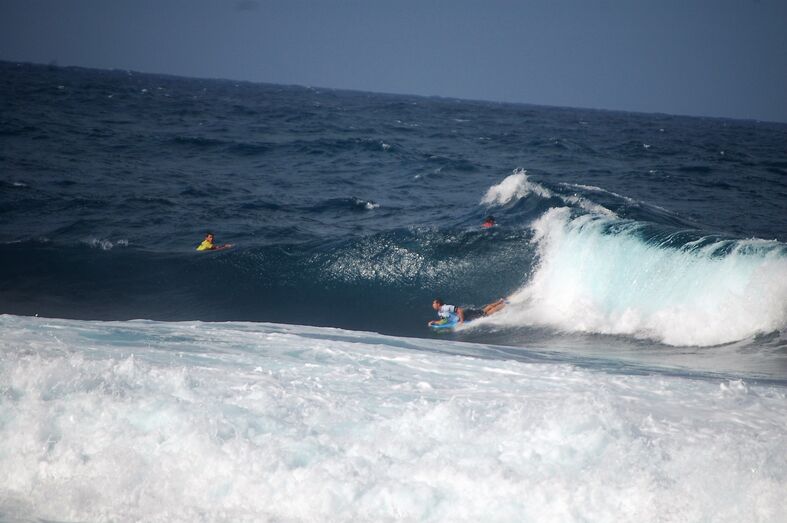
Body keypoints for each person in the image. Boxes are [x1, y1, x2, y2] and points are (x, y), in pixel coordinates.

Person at [428, 297, 506, 326]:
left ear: (438, 304)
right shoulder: (440, 312)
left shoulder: (446, 307)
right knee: (484, 310)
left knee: (487, 314)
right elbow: (444, 321)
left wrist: (461, 321)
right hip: (465, 316)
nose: (432, 305)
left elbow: (459, 310)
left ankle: (503, 305)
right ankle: (501, 301)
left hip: (466, 315)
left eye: (433, 303)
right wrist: (434, 322)